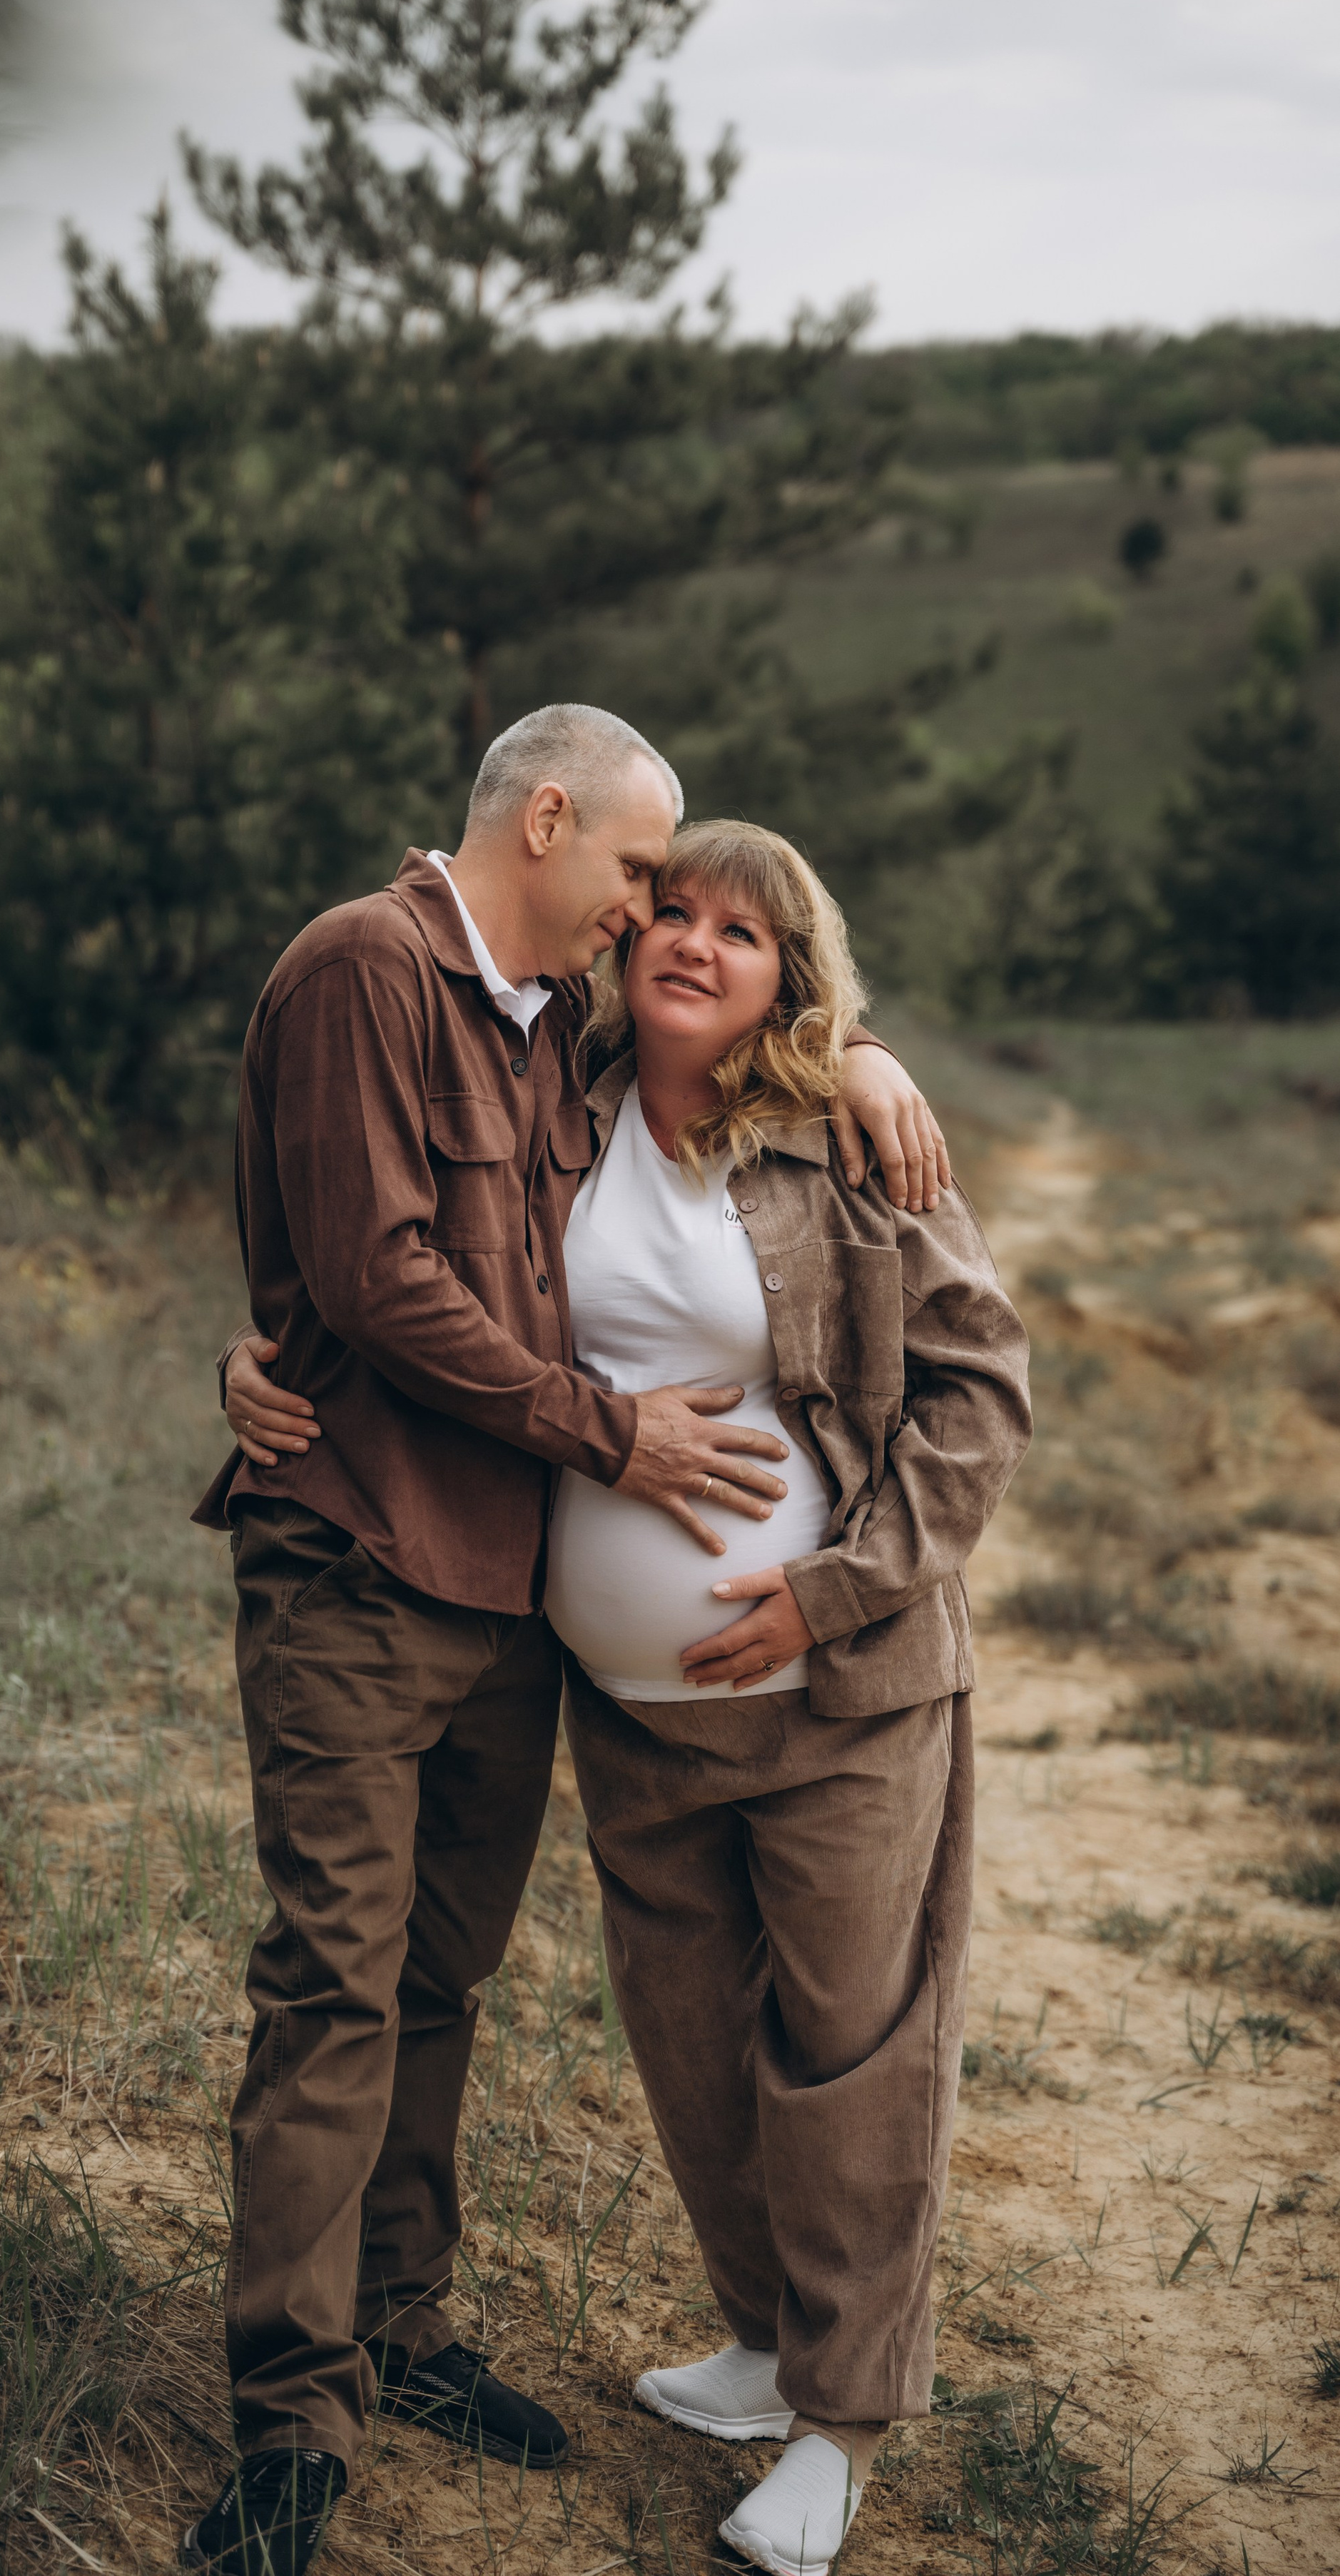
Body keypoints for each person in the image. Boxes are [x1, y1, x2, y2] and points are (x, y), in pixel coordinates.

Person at [183, 706, 953, 2576]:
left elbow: (758, 1110)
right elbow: (370, 1273)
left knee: (440, 1985)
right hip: (368, 1570)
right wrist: (604, 1437)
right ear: (546, 821)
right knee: (338, 1986)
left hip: (523, 1617)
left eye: (696, 909)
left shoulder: (557, 1036)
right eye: (639, 881)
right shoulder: (366, 969)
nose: (649, 920)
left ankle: (408, 2325)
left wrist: (859, 1055)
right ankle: (294, 2420)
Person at [545, 817, 1030, 2576]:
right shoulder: (555, 1108)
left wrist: (827, 1594)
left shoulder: (847, 1137)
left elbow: (978, 1392)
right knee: (689, 2047)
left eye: (737, 933)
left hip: (842, 1699)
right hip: (628, 1708)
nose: (689, 942)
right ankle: (760, 2342)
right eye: (667, 910)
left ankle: (838, 2424)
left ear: (788, 979)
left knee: (847, 2058)